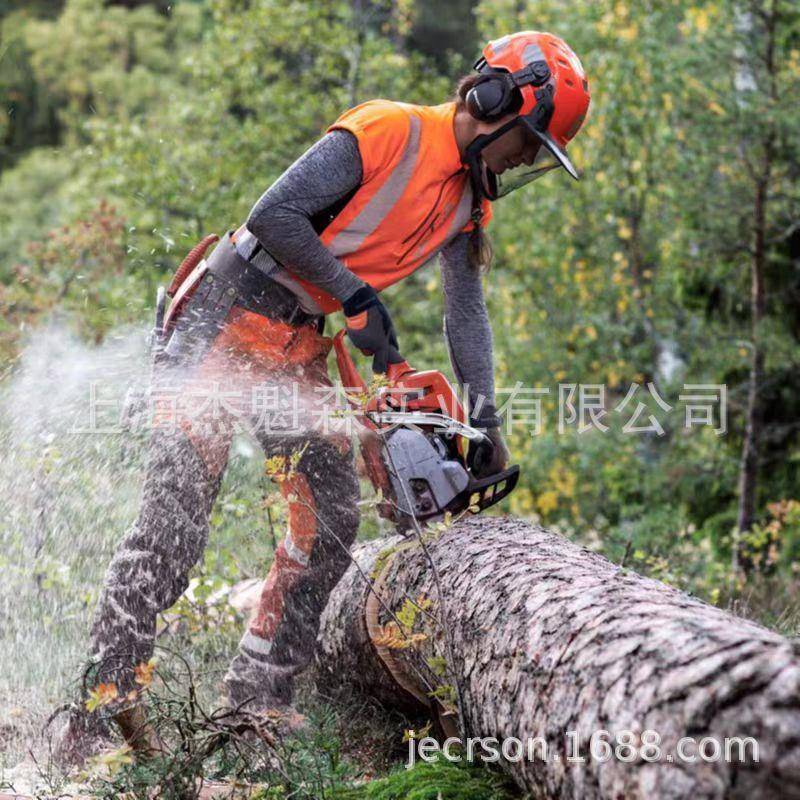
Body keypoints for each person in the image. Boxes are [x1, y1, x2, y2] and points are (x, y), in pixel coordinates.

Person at [53, 30, 590, 763]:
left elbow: (466, 312)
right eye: (529, 143)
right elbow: (273, 214)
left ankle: (256, 702)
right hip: (224, 315)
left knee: (330, 519)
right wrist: (355, 295)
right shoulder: (389, 131)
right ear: (495, 101)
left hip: (298, 340)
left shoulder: (469, 203)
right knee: (172, 530)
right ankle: (94, 716)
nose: (525, 160)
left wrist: (486, 418)